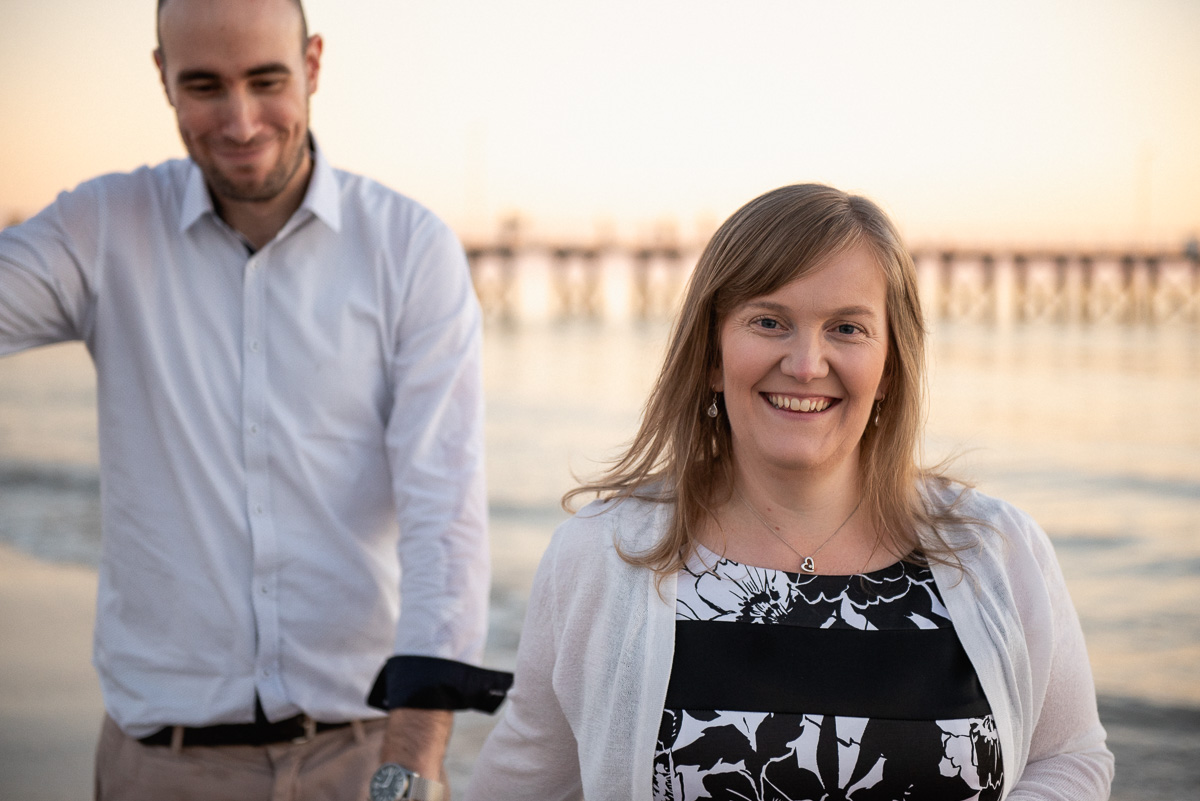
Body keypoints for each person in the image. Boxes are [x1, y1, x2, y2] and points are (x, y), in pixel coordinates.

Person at [0, 0, 510, 798]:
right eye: (204, 85)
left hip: (362, 753)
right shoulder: (101, 228)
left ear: (311, 65)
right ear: (163, 78)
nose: (239, 122)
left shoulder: (410, 249)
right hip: (160, 765)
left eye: (265, 80)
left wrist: (413, 755)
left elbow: (443, 511)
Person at [464, 184, 1113, 801]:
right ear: (712, 355)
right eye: (770, 321)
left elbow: (1071, 756)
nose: (806, 362)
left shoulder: (996, 548)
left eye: (847, 328)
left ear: (890, 364)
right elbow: (523, 782)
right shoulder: (603, 554)